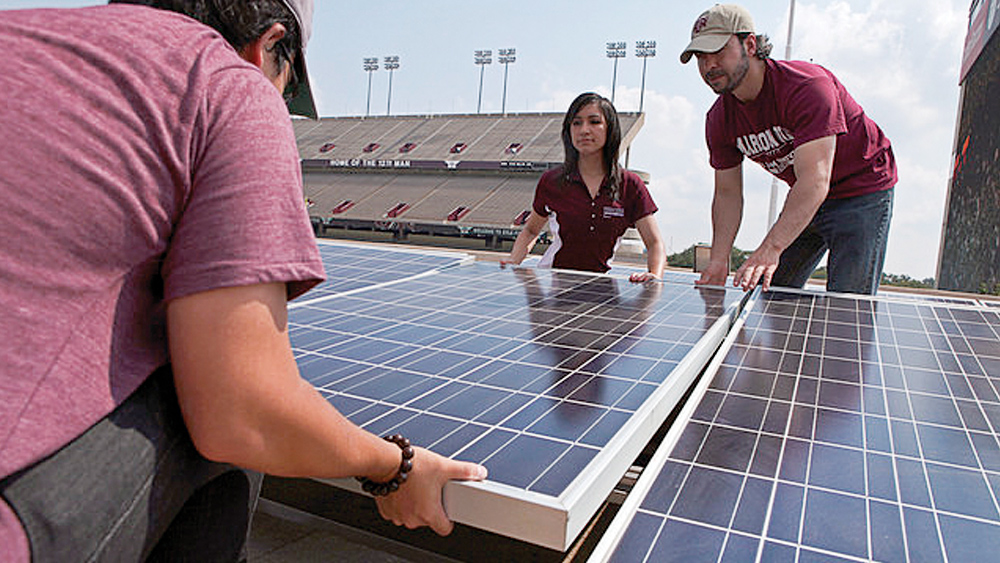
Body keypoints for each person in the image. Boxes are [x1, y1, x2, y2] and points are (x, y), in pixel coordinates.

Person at [0, 2, 485, 562]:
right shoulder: (223, 79)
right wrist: (396, 467)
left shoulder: (30, 33)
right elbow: (246, 410)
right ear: (267, 45)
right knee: (210, 383)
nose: (278, 100)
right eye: (286, 85)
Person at [682, 4, 896, 294]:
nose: (709, 66)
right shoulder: (719, 119)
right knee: (772, 288)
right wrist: (719, 259)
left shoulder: (807, 87)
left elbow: (816, 181)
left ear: (750, 44)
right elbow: (727, 193)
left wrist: (771, 247)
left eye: (718, 52)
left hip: (861, 189)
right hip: (806, 193)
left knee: (846, 307)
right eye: (701, 58)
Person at [502, 92, 667, 283]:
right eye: (577, 123)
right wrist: (514, 261)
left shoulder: (630, 185)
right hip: (553, 285)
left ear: (610, 129)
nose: (584, 130)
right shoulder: (552, 181)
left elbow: (655, 243)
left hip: (599, 286)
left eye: (594, 122)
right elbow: (531, 231)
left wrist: (654, 276)